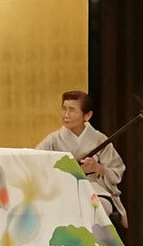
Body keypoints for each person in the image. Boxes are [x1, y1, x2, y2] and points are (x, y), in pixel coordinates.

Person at [35, 90, 128, 227]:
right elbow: (36, 160)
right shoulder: (53, 139)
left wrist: (97, 167)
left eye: (72, 110)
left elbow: (117, 169)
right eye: (64, 109)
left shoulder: (99, 139)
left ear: (87, 115)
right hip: (63, 188)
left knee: (96, 208)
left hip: (94, 188)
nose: (66, 115)